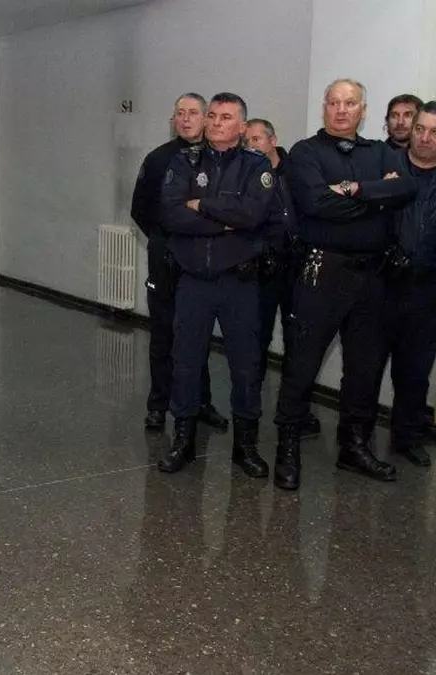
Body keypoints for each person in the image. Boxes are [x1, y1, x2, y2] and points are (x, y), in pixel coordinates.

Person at [272, 78, 416, 491]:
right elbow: (316, 203)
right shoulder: (306, 152)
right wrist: (378, 198)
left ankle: (354, 446)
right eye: (334, 102)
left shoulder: (382, 152)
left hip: (373, 276)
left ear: (362, 110)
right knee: (302, 365)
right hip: (323, 272)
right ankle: (287, 449)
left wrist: (354, 190)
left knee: (365, 368)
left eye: (350, 103)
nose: (341, 110)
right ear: (324, 107)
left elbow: (406, 187)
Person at [155, 93, 274, 477]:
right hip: (194, 281)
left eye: (226, 117)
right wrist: (226, 220)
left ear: (242, 127)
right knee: (186, 363)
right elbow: (171, 215)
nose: (216, 123)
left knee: (246, 365)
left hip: (239, 283)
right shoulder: (184, 161)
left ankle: (246, 446)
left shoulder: (256, 165)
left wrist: (202, 205)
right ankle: (183, 441)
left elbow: (253, 215)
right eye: (213, 116)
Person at [374, 101, 436, 467]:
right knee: (367, 365)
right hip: (381, 282)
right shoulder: (386, 167)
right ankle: (356, 436)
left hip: (428, 287)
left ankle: (406, 436)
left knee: (415, 369)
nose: (425, 138)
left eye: (435, 132)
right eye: (420, 129)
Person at [131, 93, 229, 434]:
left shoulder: (218, 158)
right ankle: (158, 405)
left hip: (203, 260)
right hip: (167, 259)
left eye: (193, 113)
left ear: (206, 118)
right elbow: (140, 209)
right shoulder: (159, 159)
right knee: (163, 334)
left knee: (198, 334)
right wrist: (168, 240)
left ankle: (201, 403)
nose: (185, 119)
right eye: (180, 113)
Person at [244, 118, 322, 439]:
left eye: (257, 139)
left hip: (297, 268)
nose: (251, 145)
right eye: (246, 140)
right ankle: (249, 411)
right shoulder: (246, 175)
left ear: (272, 140)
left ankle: (296, 412)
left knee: (299, 343)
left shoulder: (297, 171)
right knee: (256, 340)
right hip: (263, 269)